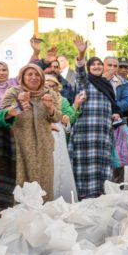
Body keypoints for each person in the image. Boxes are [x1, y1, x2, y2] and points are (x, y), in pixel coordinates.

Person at [0, 64, 63, 202]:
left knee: (44, 182)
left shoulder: (49, 93)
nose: (34, 77)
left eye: (37, 74)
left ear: (42, 77)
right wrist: (18, 103)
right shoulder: (13, 92)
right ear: (22, 77)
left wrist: (50, 108)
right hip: (20, 145)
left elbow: (57, 118)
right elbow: (3, 114)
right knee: (21, 181)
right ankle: (22, 212)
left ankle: (44, 212)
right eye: (30, 74)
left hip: (44, 145)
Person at [71, 39, 119, 200]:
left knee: (101, 162)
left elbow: (112, 105)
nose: (97, 66)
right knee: (85, 164)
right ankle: (84, 195)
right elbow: (79, 71)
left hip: (103, 133)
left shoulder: (107, 85)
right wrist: (81, 53)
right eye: (93, 64)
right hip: (85, 133)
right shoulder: (85, 82)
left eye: (99, 64)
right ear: (89, 67)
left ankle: (100, 194)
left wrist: (115, 114)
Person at [43, 73, 79, 202]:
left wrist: (66, 120)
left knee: (60, 164)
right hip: (43, 134)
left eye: (53, 86)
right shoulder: (38, 98)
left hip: (59, 133)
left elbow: (69, 117)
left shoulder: (62, 100)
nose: (50, 88)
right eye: (47, 85)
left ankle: (62, 197)